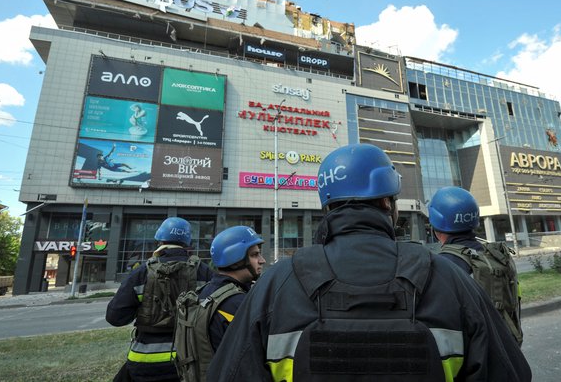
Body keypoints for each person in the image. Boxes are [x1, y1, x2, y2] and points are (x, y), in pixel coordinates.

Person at [207, 143, 531, 381]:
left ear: (327, 204)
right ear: (388, 201)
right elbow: (510, 373)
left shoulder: (275, 284)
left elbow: (228, 374)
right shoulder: (447, 277)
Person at [106, 217, 214, 382]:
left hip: (144, 362)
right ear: (187, 243)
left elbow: (115, 317)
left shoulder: (142, 273)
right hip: (189, 360)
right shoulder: (204, 272)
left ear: (160, 240)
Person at [429, 186, 524, 345]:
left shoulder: (442, 265)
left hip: (476, 358)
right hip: (509, 348)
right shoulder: (497, 256)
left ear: (435, 225)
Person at [173, 225, 265, 381]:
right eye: (255, 255)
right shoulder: (237, 303)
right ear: (235, 259)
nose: (262, 261)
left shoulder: (205, 292)